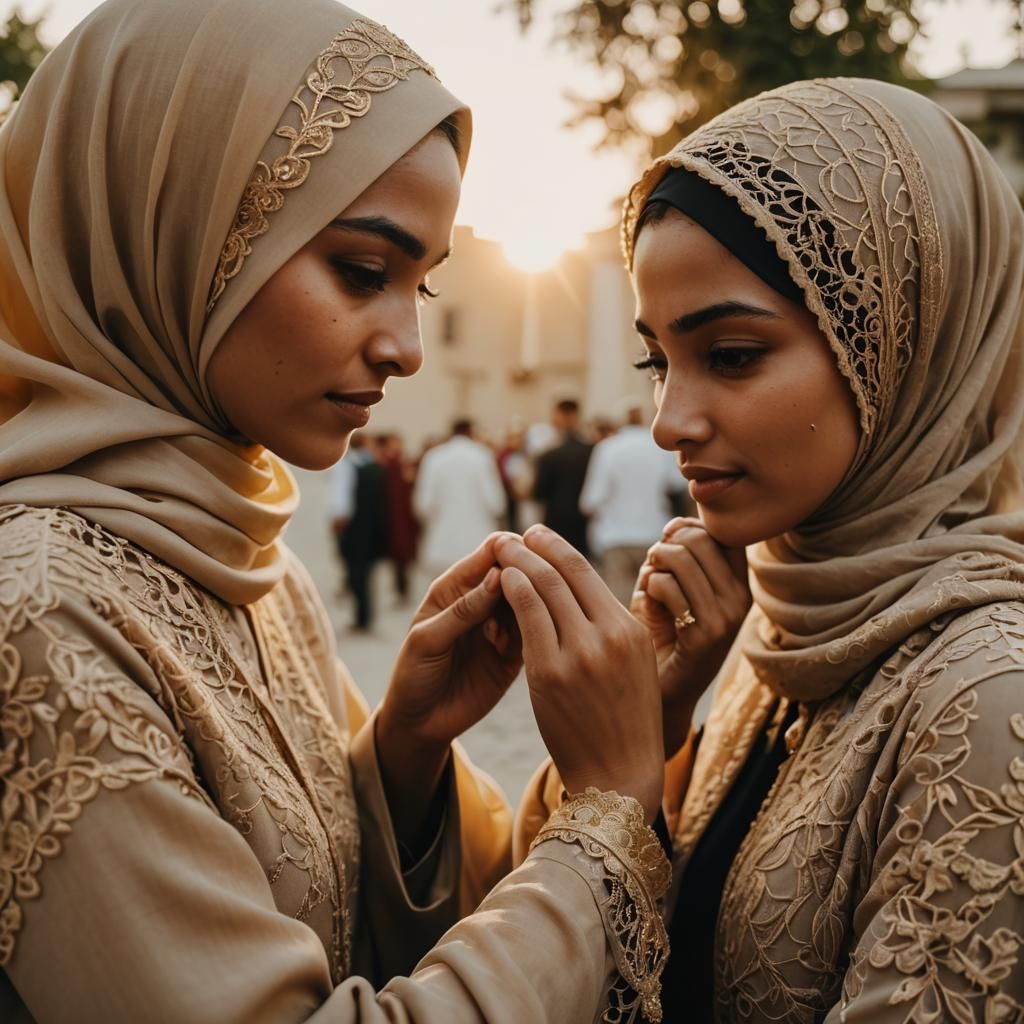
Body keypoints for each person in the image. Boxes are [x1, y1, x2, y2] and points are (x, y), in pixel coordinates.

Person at [0, 2, 671, 1021]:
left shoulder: (247, 555)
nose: (404, 345)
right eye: (363, 272)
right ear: (176, 233)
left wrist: (399, 755)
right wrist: (606, 821)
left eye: (423, 289)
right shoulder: (39, 614)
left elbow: (304, 923)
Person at [518, 78, 1024, 1021]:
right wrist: (654, 729)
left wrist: (612, 801)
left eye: (734, 355)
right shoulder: (781, 638)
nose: (668, 423)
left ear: (898, 350)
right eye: (656, 361)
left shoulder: (992, 701)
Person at [579, 399, 687, 605]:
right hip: (653, 533)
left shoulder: (608, 448)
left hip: (616, 536)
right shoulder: (659, 448)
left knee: (619, 602)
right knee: (652, 603)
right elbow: (677, 483)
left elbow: (591, 500)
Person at [413, 418, 506, 576]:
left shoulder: (434, 457)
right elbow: (496, 504)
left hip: (441, 545)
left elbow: (423, 504)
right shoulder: (482, 456)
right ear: (471, 432)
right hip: (477, 545)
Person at [330, 433, 388, 629]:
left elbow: (341, 502)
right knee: (366, 572)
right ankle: (365, 614)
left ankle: (362, 616)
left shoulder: (347, 465)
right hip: (374, 527)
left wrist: (338, 528)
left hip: (354, 527)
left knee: (356, 571)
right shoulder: (375, 466)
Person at [532, 398, 594, 557]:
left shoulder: (549, 455)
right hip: (582, 525)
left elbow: (538, 493)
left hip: (555, 524)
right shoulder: (592, 451)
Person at [377, 433, 419, 605]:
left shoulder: (402, 463)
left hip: (404, 519)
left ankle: (404, 589)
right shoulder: (389, 464)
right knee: (398, 557)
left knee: (404, 557)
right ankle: (400, 589)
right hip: (394, 518)